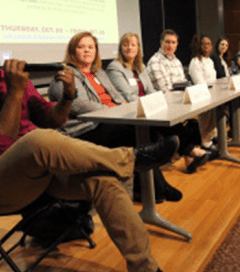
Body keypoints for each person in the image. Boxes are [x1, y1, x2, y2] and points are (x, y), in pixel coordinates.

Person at [0, 14, 191, 272]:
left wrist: (68, 96)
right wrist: (15, 91)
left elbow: (51, 120)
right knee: (35, 141)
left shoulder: (1, 79)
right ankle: (129, 159)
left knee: (104, 180)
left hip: (40, 172)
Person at [48, 32, 182, 202]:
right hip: (87, 128)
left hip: (110, 119)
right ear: (72, 51)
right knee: (135, 135)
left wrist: (121, 108)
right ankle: (156, 188)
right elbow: (77, 104)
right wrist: (110, 111)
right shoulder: (65, 74)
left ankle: (153, 187)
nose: (87, 51)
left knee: (145, 131)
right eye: (81, 47)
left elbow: (116, 95)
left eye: (91, 47)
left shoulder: (98, 72)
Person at [107, 32, 212, 173]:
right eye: (126, 45)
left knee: (187, 122)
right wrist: (153, 103)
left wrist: (155, 103)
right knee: (172, 123)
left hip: (149, 106)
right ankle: (191, 151)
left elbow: (150, 90)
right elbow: (128, 96)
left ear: (138, 48)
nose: (129, 48)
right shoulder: (115, 67)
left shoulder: (140, 66)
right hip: (133, 111)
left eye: (133, 45)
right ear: (121, 47)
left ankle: (190, 155)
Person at [147, 29, 218, 171]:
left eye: (173, 42)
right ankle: (193, 152)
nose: (170, 45)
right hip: (165, 104)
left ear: (177, 45)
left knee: (193, 122)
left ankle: (190, 158)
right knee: (186, 123)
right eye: (167, 42)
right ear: (161, 43)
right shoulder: (155, 61)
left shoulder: (177, 61)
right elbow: (165, 90)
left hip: (177, 101)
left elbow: (183, 84)